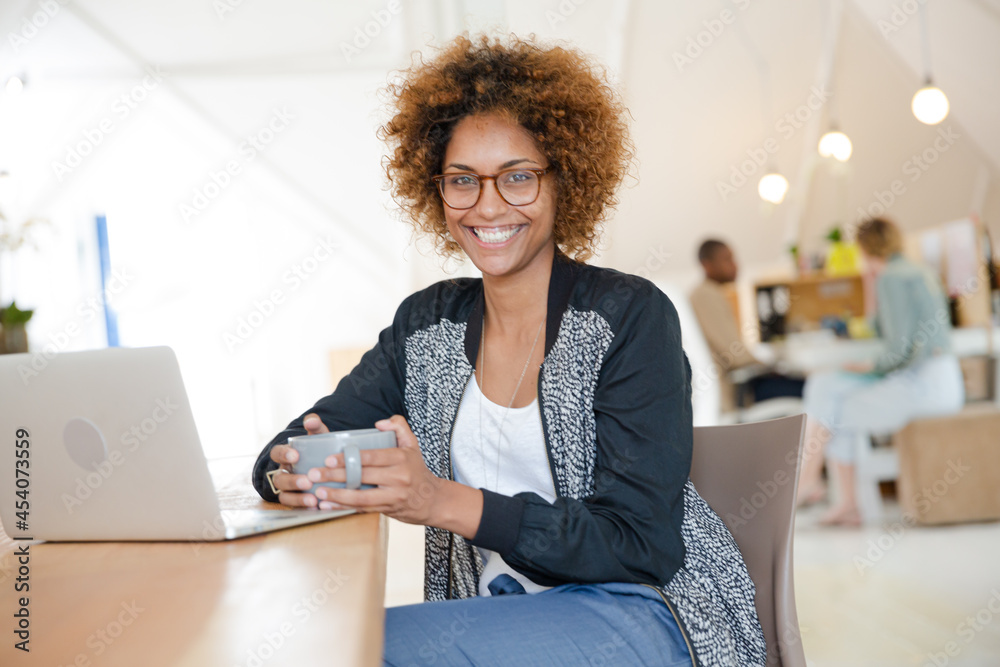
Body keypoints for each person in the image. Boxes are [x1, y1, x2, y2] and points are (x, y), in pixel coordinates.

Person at [252, 35, 766, 666]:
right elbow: (294, 442)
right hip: (502, 608)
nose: (488, 206)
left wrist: (438, 500)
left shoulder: (628, 316)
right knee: (330, 641)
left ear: (564, 179)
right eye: (462, 180)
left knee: (361, 651)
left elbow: (638, 545)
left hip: (647, 610)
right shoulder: (428, 324)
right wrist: (292, 473)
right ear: (437, 190)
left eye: (518, 177)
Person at [797, 218, 964, 525]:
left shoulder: (891, 278)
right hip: (945, 383)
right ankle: (836, 496)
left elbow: (896, 352)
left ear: (864, 248)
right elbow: (884, 330)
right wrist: (870, 284)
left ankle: (818, 485)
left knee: (832, 404)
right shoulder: (919, 271)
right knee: (831, 399)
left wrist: (868, 368)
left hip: (923, 387)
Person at [690, 238, 804, 412]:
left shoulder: (707, 294)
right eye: (727, 260)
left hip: (741, 383)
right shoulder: (706, 296)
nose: (735, 265)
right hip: (740, 391)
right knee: (809, 387)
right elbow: (735, 355)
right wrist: (772, 365)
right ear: (707, 265)